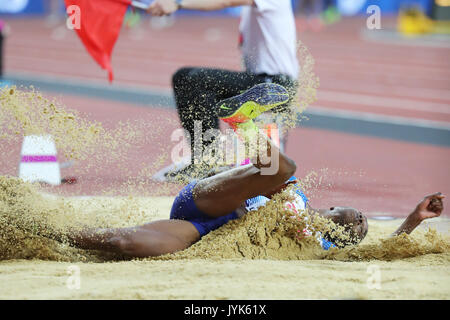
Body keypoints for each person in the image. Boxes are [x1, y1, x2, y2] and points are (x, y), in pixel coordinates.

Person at [47, 84, 445, 258]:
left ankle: (43, 233)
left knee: (124, 246)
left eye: (357, 233)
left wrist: (413, 219)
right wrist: (281, 196)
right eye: (359, 218)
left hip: (202, 231)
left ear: (342, 242)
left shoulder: (320, 249)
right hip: (212, 199)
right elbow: (274, 181)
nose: (360, 225)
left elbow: (383, 250)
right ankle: (241, 122)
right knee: (284, 169)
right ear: (334, 206)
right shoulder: (299, 196)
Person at [147, 0, 300, 182]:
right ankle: (205, 161)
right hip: (260, 82)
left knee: (193, 80)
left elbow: (225, 1)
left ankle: (209, 164)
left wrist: (177, 3)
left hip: (274, 86)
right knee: (186, 78)